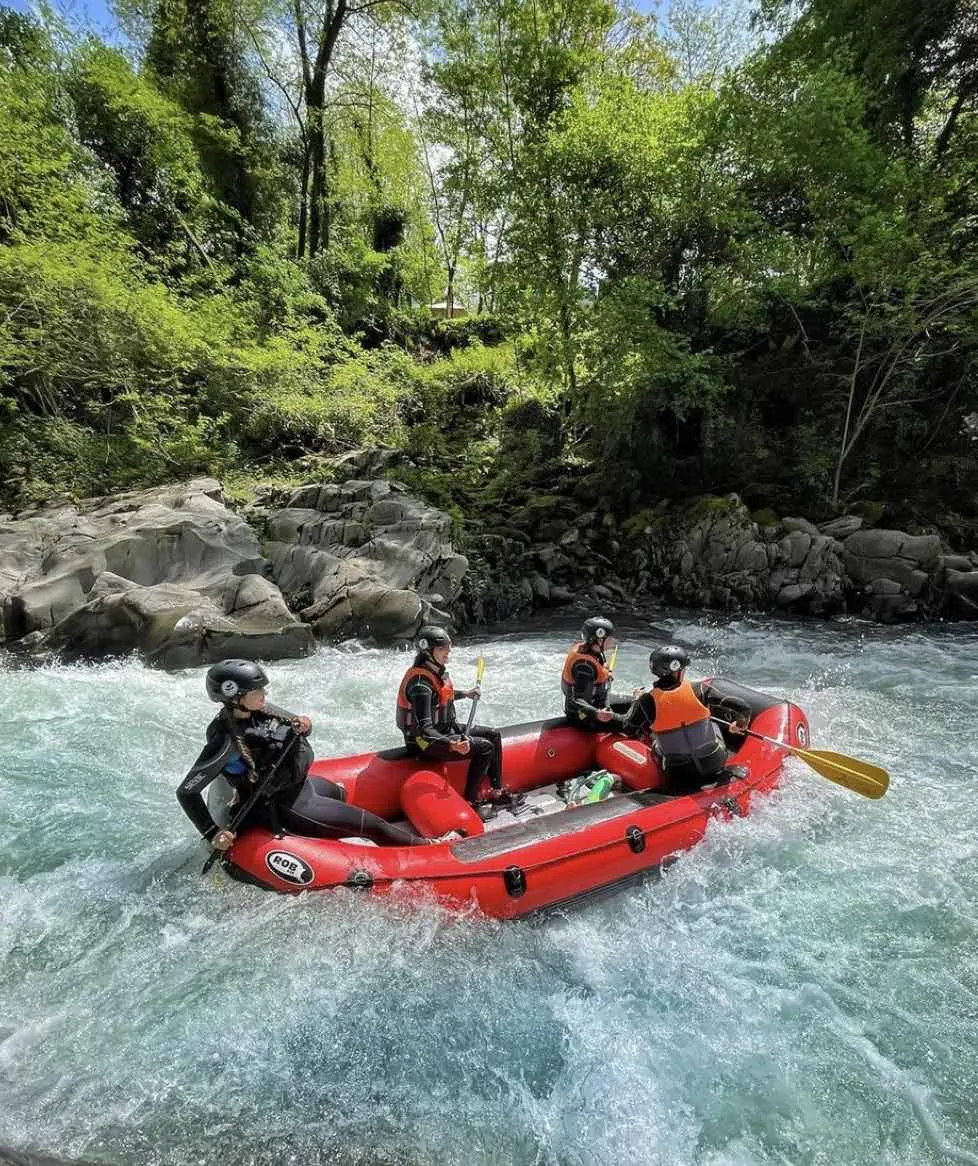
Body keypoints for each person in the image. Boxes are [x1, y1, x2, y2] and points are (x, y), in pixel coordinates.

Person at [178, 659, 450, 850]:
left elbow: (298, 726)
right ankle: (430, 846)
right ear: (235, 697)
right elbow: (187, 792)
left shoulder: (260, 709)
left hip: (301, 785)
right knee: (374, 826)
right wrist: (212, 834)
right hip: (284, 806)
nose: (264, 693)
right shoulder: (225, 741)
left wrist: (305, 725)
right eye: (257, 690)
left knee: (342, 794)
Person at [396, 625, 508, 816]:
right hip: (424, 743)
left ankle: (498, 791)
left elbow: (442, 696)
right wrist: (452, 744)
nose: (448, 652)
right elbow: (425, 730)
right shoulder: (420, 685)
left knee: (493, 734)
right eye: (442, 649)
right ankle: (471, 801)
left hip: (444, 729)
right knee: (485, 747)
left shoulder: (433, 673)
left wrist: (466, 693)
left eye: (448, 647)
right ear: (427, 652)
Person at [620, 645, 750, 794]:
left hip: (679, 774)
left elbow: (628, 728)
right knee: (713, 724)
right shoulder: (699, 689)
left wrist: (636, 701)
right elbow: (743, 707)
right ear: (678, 670)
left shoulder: (646, 700)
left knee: (654, 739)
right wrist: (740, 725)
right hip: (714, 763)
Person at [561, 616, 626, 731]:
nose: (612, 641)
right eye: (610, 638)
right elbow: (577, 699)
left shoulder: (592, 651)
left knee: (637, 703)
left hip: (598, 703)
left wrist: (605, 675)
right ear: (599, 641)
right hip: (584, 716)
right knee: (629, 723)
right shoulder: (584, 666)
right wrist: (597, 713)